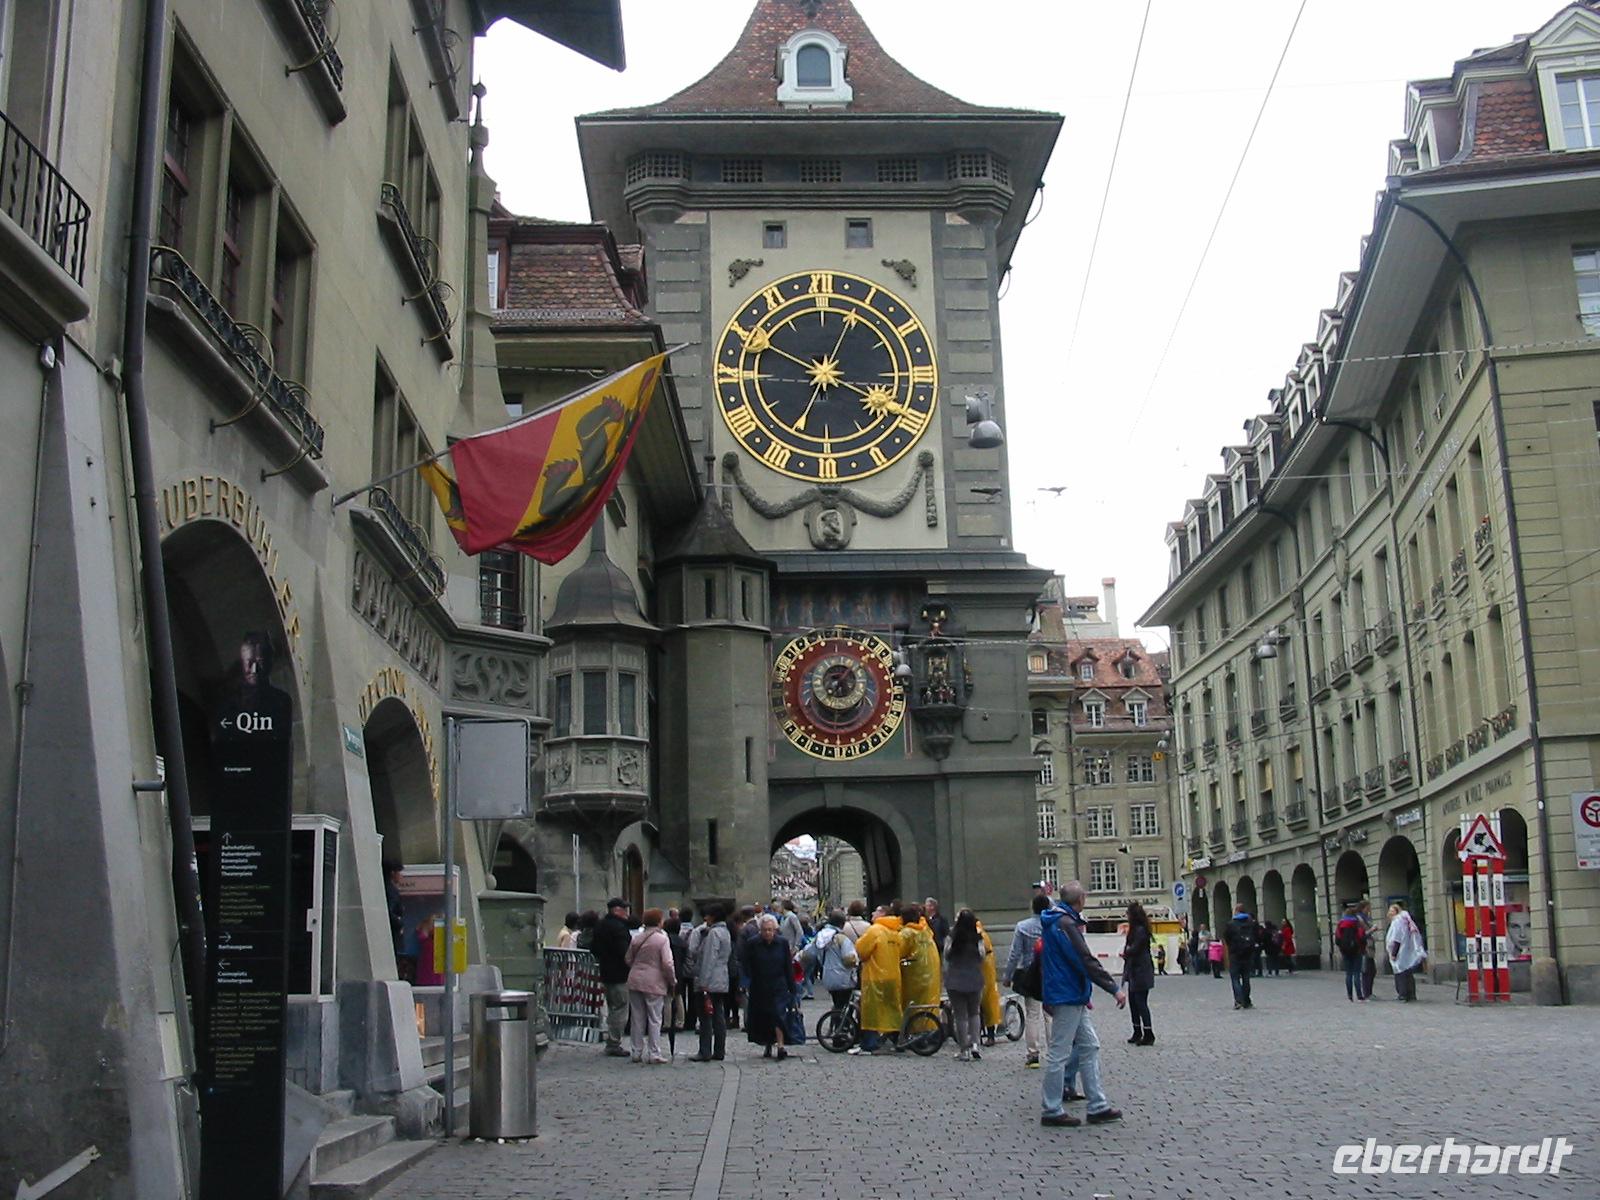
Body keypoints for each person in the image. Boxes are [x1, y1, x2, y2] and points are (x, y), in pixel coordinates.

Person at [1038, 882, 1125, 1128]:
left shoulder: (1056, 921)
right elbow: (1084, 959)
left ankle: (1097, 1105)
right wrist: (1113, 988)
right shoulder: (1065, 924)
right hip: (1067, 994)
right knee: (1059, 1052)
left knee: (1089, 1046)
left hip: (1070, 993)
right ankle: (1052, 1108)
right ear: (1082, 899)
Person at [1003, 894, 1050, 1068]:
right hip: (1051, 972)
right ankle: (1055, 1053)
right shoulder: (1054, 925)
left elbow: (1015, 954)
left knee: (1032, 1014)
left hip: (1030, 973)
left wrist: (1008, 976)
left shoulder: (1022, 927)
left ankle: (1033, 1054)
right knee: (1050, 1015)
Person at [623, 909, 675, 1064]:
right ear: (660, 921)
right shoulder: (662, 939)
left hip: (635, 979)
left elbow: (628, 958)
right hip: (654, 981)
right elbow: (667, 963)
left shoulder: (637, 938)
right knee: (654, 1017)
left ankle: (636, 1051)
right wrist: (672, 980)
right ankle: (654, 1052)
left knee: (637, 1018)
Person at [849, 906, 903, 1054]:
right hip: (894, 976)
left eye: (876, 911)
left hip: (875, 976)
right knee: (891, 1009)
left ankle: (869, 1043)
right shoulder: (895, 931)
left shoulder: (875, 930)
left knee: (871, 1012)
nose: (872, 913)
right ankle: (898, 1039)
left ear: (883, 914)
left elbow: (861, 950)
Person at [744, 914, 795, 1060]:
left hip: (778, 984)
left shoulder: (782, 943)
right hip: (760, 985)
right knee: (765, 1016)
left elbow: (787, 966)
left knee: (778, 1014)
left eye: (770, 930)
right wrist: (746, 982)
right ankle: (768, 1043)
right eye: (765, 930)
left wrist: (792, 987)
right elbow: (747, 963)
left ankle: (780, 1046)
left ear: (775, 930)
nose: (768, 933)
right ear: (760, 930)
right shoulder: (753, 943)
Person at [687, 906, 732, 1061]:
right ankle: (719, 1050)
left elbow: (709, 958)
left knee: (706, 1017)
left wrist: (703, 981)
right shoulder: (725, 932)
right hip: (721, 978)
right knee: (718, 1015)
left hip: (711, 979)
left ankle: (705, 1050)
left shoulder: (714, 933)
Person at [942, 909, 988, 1062]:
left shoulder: (953, 937)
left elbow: (946, 955)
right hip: (974, 977)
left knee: (960, 1015)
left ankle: (964, 1049)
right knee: (974, 1012)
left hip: (955, 979)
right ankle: (976, 1044)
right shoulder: (977, 937)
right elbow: (982, 956)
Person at [593, 898, 635, 1056]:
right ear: (616, 910)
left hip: (605, 972)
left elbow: (594, 948)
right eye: (624, 909)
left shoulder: (600, 925)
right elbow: (624, 951)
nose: (627, 912)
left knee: (612, 1007)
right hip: (619, 973)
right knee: (620, 1008)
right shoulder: (619, 927)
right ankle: (614, 1042)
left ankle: (612, 1039)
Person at [803, 909, 859, 1014]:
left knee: (837, 1002)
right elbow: (849, 959)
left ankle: (835, 1023)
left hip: (828, 976)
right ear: (842, 924)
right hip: (843, 978)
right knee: (844, 1003)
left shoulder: (820, 937)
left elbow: (808, 953)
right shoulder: (841, 938)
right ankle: (842, 1026)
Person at [898, 903, 942, 1020]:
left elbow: (897, 953)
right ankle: (930, 1028)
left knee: (914, 1006)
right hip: (931, 974)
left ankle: (916, 1031)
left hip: (914, 977)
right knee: (928, 1004)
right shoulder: (926, 930)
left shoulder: (907, 933)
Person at [1121, 902, 1156, 1044]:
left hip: (1141, 970)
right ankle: (1137, 1031)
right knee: (1134, 1003)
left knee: (1141, 1003)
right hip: (1134, 970)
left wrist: (1127, 952)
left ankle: (1148, 1033)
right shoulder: (1135, 930)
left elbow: (1135, 948)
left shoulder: (1140, 930)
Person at [1221, 903, 1260, 1010]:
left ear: (1236, 911)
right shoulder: (1251, 923)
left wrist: (1232, 947)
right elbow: (1256, 936)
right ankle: (1247, 1001)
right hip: (1248, 954)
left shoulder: (1231, 924)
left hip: (1235, 954)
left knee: (1235, 978)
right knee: (1246, 978)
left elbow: (1226, 938)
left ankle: (1238, 1001)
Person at [1386, 902, 1427, 1002]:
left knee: (1400, 974)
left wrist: (1393, 954)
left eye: (1392, 911)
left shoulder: (1397, 922)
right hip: (1406, 951)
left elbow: (1397, 939)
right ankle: (1411, 994)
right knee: (1408, 973)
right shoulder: (1405, 921)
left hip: (1400, 952)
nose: (1390, 913)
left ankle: (1403, 995)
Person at [976, 918, 1002, 1045]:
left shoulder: (979, 934)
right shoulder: (978, 933)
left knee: (987, 1003)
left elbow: (982, 952)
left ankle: (990, 1034)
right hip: (980, 972)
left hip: (984, 973)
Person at [1335, 903, 1367, 1002]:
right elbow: (1362, 936)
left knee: (1348, 974)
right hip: (1357, 950)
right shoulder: (1357, 923)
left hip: (1345, 951)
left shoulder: (1340, 923)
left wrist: (1342, 948)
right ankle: (1359, 996)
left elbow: (1337, 939)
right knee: (1357, 973)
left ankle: (1350, 996)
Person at [1359, 900, 1378, 1001]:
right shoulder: (1360, 919)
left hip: (1369, 947)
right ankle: (1366, 993)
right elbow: (1361, 935)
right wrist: (1372, 930)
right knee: (1367, 970)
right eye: (1368, 908)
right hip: (1364, 948)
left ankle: (1369, 992)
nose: (1369, 910)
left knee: (1371, 970)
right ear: (1364, 908)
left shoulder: (1365, 918)